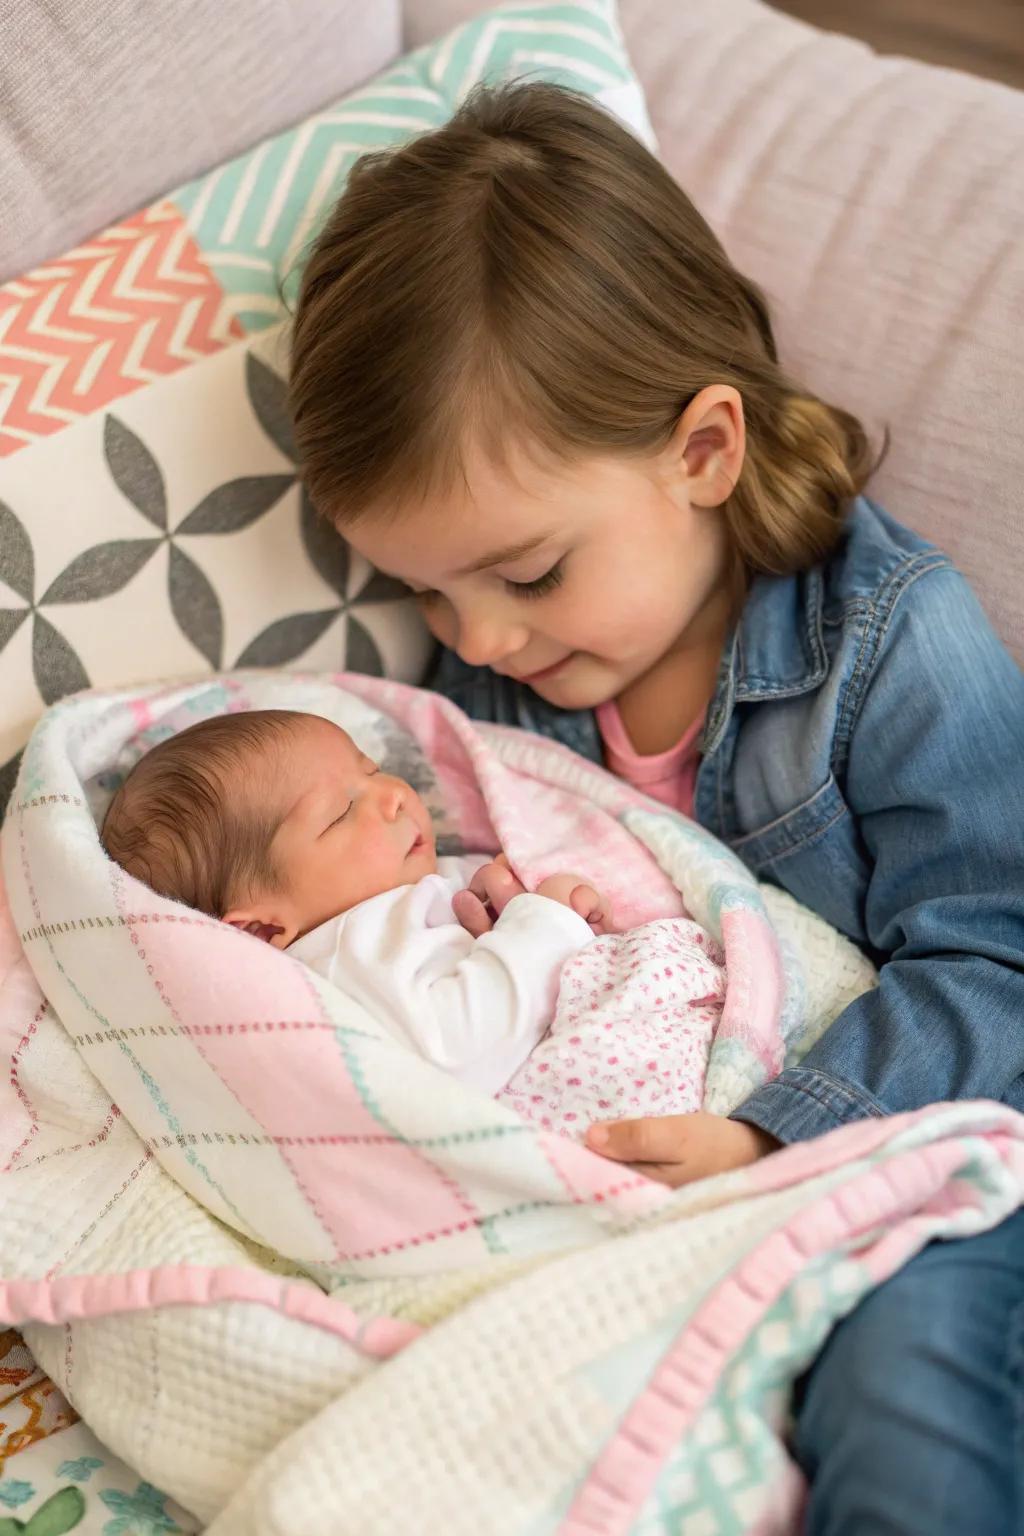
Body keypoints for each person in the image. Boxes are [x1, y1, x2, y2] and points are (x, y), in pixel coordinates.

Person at [286, 80, 1024, 1534]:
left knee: (903, 1388)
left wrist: (778, 1133)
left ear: (703, 452)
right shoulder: (492, 704)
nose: (479, 640)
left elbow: (1006, 957)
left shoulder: (888, 647)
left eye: (528, 574)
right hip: (621, 1196)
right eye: (427, 591)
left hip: (911, 1151)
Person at [99, 707, 610, 1093]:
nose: (392, 792)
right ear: (260, 931)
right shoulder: (345, 952)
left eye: (371, 770)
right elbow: (455, 1055)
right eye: (342, 811)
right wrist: (548, 924)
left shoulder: (404, 886)